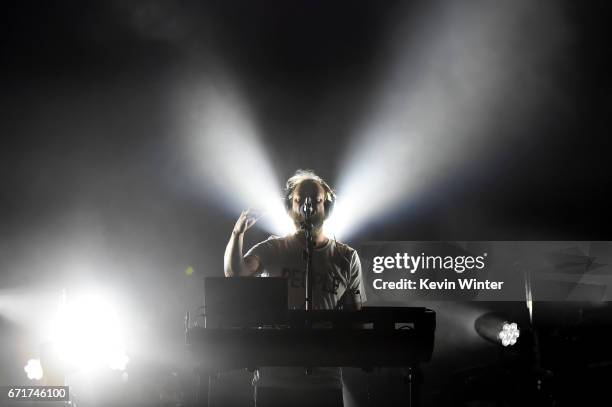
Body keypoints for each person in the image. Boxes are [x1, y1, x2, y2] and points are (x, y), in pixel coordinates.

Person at [223, 169, 366, 407]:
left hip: (325, 380)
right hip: (274, 378)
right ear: (291, 205)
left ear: (326, 207)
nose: (307, 206)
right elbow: (234, 273)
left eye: (316, 201)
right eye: (300, 200)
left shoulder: (346, 257)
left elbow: (357, 319)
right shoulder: (273, 248)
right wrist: (237, 233)